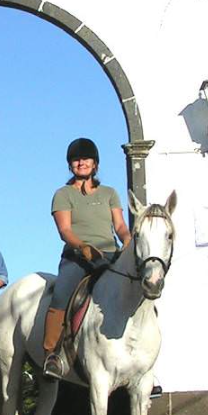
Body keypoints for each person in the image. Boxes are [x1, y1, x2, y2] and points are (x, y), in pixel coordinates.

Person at [42, 138, 131, 380]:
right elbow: (65, 230)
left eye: (85, 158)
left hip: (109, 255)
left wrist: (128, 240)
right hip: (78, 257)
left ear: (95, 164)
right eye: (76, 159)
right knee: (61, 295)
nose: (81, 162)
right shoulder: (63, 194)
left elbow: (120, 225)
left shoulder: (109, 193)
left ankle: (143, 361)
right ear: (70, 165)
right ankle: (52, 354)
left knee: (137, 289)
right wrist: (83, 247)